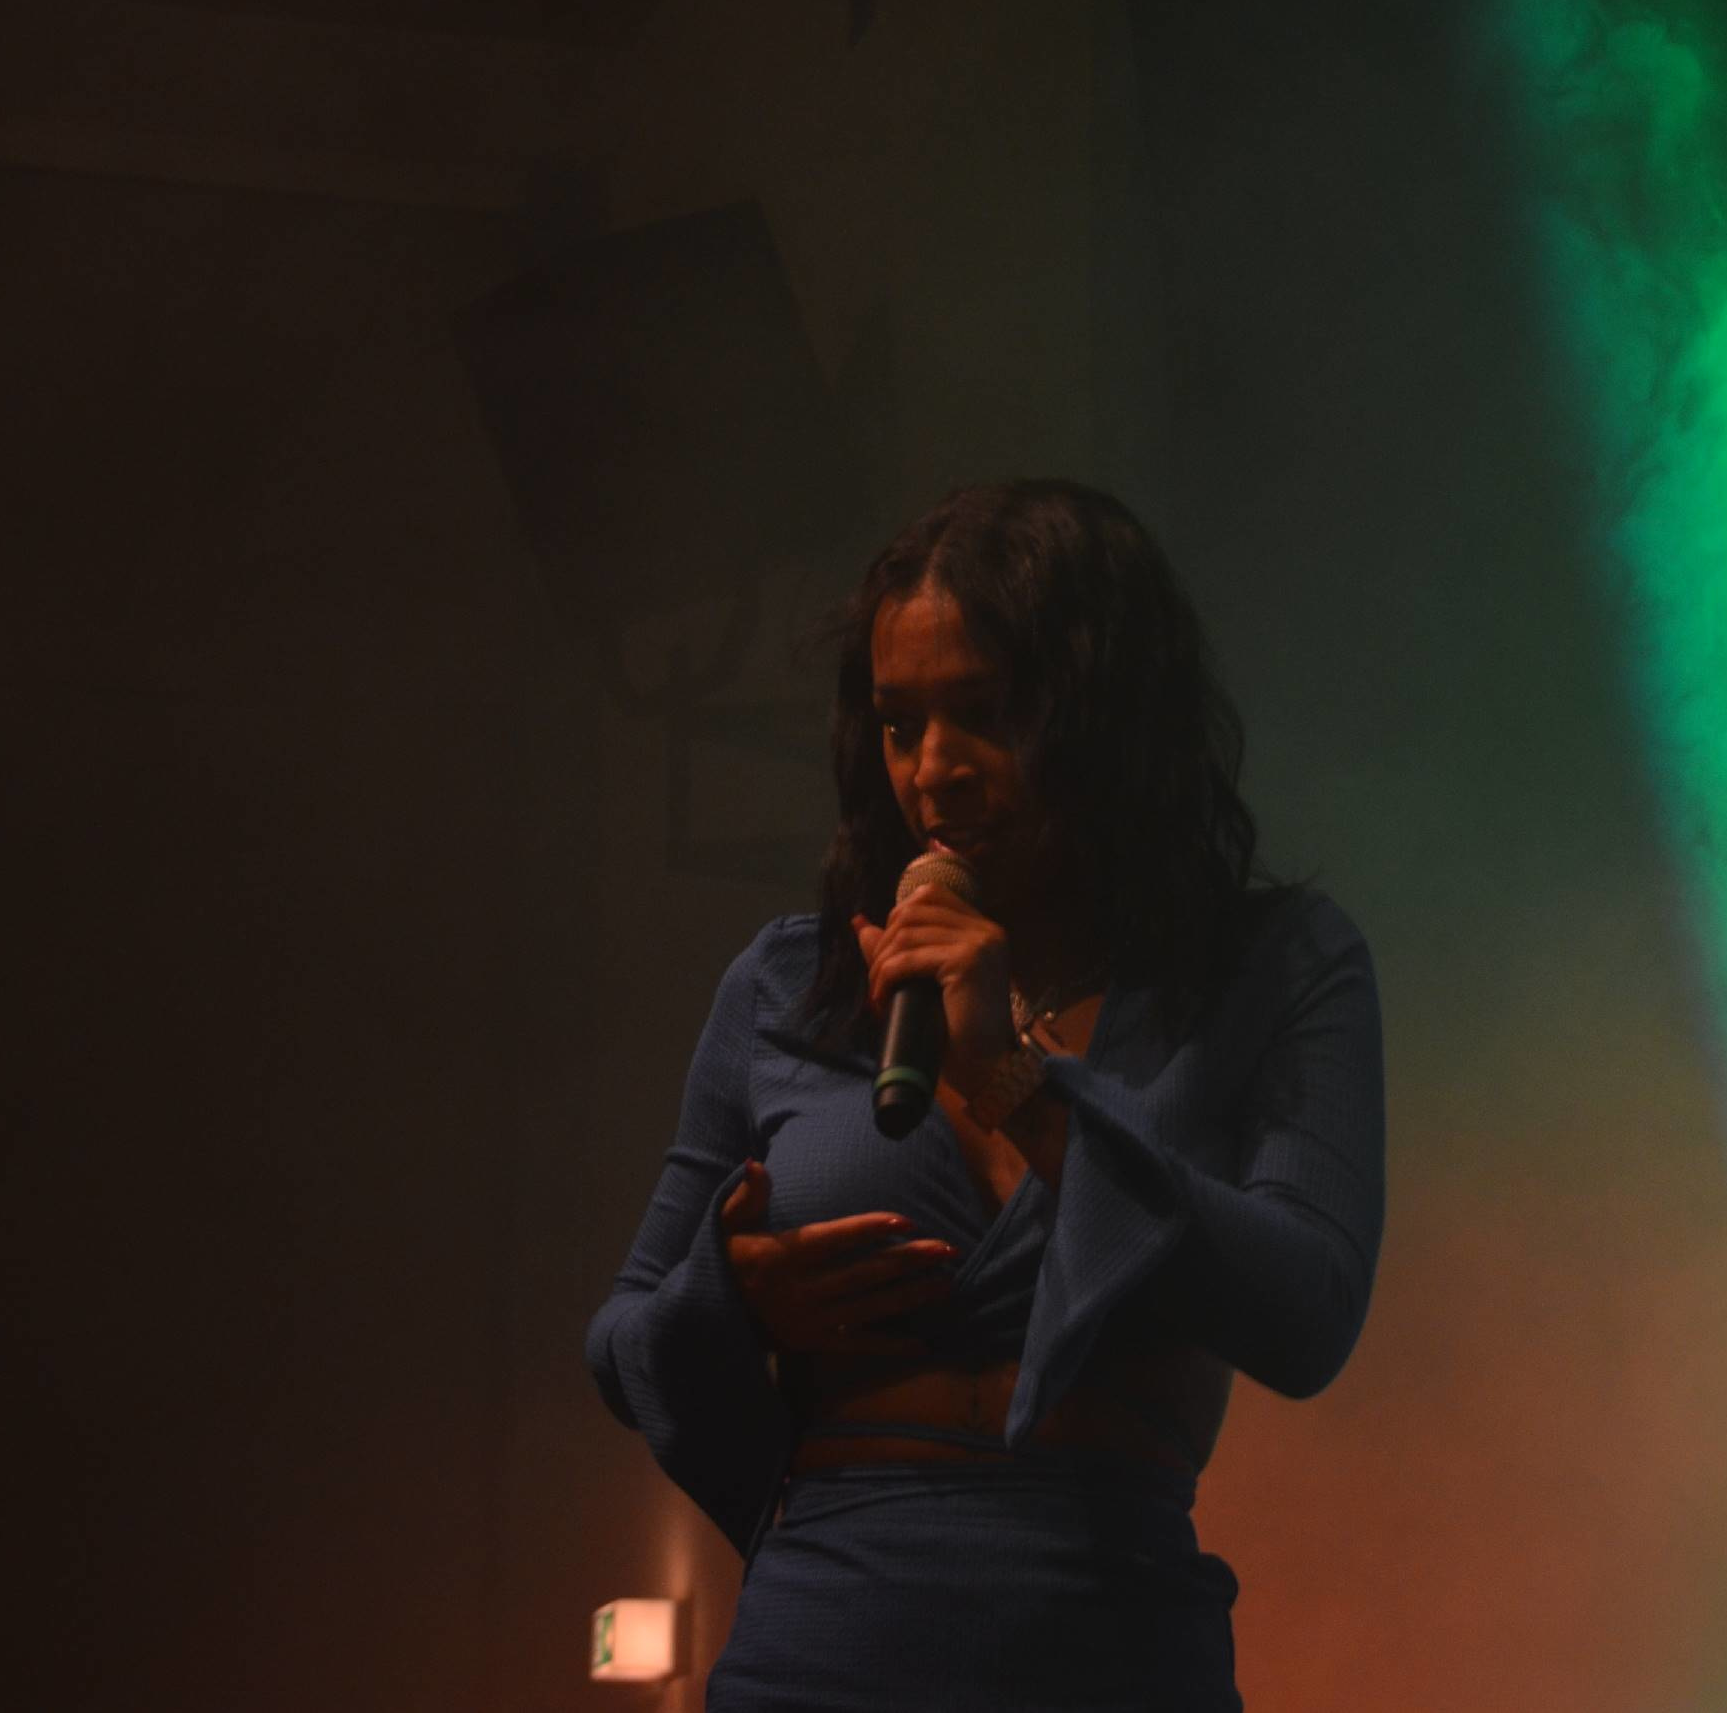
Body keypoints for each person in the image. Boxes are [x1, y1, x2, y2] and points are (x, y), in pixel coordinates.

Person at [586, 478, 1383, 1710]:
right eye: (899, 723)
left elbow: (1307, 1310)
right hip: (820, 1647)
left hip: (1115, 1654)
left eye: (986, 713)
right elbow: (620, 1336)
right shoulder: (793, 981)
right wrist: (733, 1294)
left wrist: (1017, 1082)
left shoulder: (1268, 967)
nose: (932, 770)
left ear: (1110, 712)